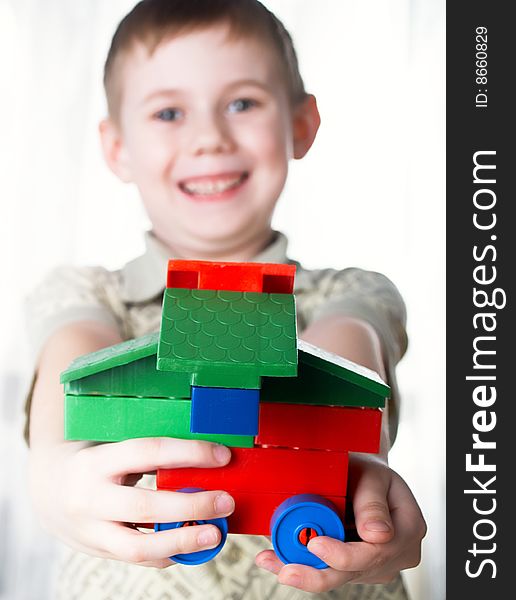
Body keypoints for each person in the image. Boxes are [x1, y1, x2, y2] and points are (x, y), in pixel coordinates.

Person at [24, 1, 426, 598]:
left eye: (242, 103)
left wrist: (362, 475)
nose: (209, 139)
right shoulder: (89, 294)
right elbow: (70, 368)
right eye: (168, 112)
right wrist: (56, 473)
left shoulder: (351, 291)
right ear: (116, 148)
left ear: (302, 124)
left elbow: (347, 357)